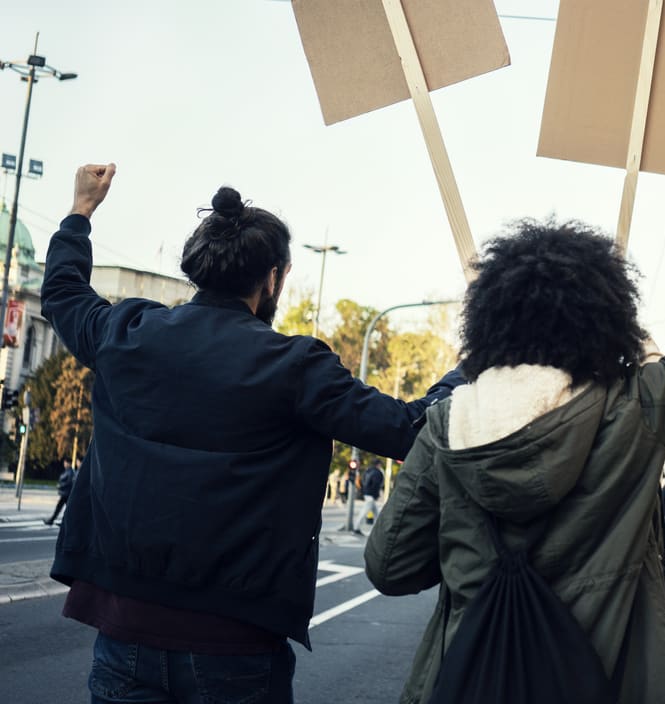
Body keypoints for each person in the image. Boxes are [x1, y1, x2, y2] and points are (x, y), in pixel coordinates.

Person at [364, 134, 665, 704]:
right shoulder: (637, 408)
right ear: (606, 319)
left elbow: (389, 567)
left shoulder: (448, 426)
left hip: (472, 680)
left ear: (490, 324)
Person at [41, 164, 463, 704]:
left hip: (122, 635)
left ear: (199, 268)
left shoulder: (124, 333)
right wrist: (471, 366)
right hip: (234, 649)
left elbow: (62, 292)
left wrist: (80, 212)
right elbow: (411, 430)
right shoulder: (295, 367)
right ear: (273, 279)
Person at [355, 459, 385, 533]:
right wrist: (376, 495)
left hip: (367, 493)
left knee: (376, 513)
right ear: (378, 464)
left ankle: (380, 528)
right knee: (364, 511)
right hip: (371, 495)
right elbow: (376, 485)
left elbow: (362, 481)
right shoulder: (377, 473)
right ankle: (356, 527)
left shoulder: (367, 471)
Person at [44, 459, 76, 525]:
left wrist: (60, 486)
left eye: (66, 463)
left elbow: (69, 482)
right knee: (65, 509)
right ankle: (55, 521)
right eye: (64, 463)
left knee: (63, 508)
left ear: (69, 463)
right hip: (65, 493)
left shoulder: (70, 472)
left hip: (66, 493)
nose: (64, 464)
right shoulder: (67, 471)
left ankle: (53, 521)